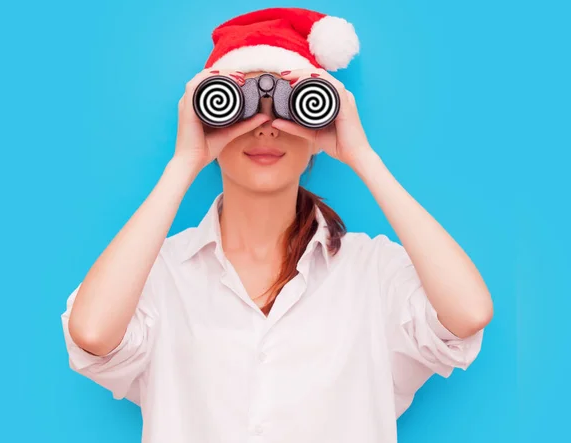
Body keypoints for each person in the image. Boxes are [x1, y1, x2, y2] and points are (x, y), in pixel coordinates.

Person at [61, 7, 493, 443]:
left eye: (289, 107)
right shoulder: (159, 275)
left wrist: (362, 156)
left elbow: (468, 314)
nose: (265, 129)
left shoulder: (372, 272)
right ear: (210, 113)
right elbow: (93, 333)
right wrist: (184, 162)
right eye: (240, 107)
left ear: (318, 122)